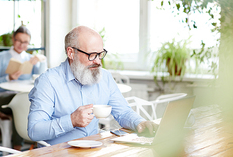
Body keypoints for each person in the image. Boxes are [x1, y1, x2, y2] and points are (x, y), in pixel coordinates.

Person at [27, 26, 158, 146]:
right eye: (91, 55)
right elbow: (34, 130)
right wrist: (71, 120)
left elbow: (123, 112)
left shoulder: (105, 77)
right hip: (58, 153)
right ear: (71, 52)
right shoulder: (48, 81)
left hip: (95, 150)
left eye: (100, 54)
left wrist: (140, 123)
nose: (98, 62)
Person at [0, 25, 47, 150]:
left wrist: (41, 61)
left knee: (32, 102)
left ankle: (37, 146)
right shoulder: (1, 57)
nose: (21, 44)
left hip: (23, 98)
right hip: (3, 99)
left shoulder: (29, 59)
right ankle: (17, 149)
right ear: (13, 39)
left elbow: (42, 77)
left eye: (25, 42)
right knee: (21, 102)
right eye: (18, 40)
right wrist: (8, 78)